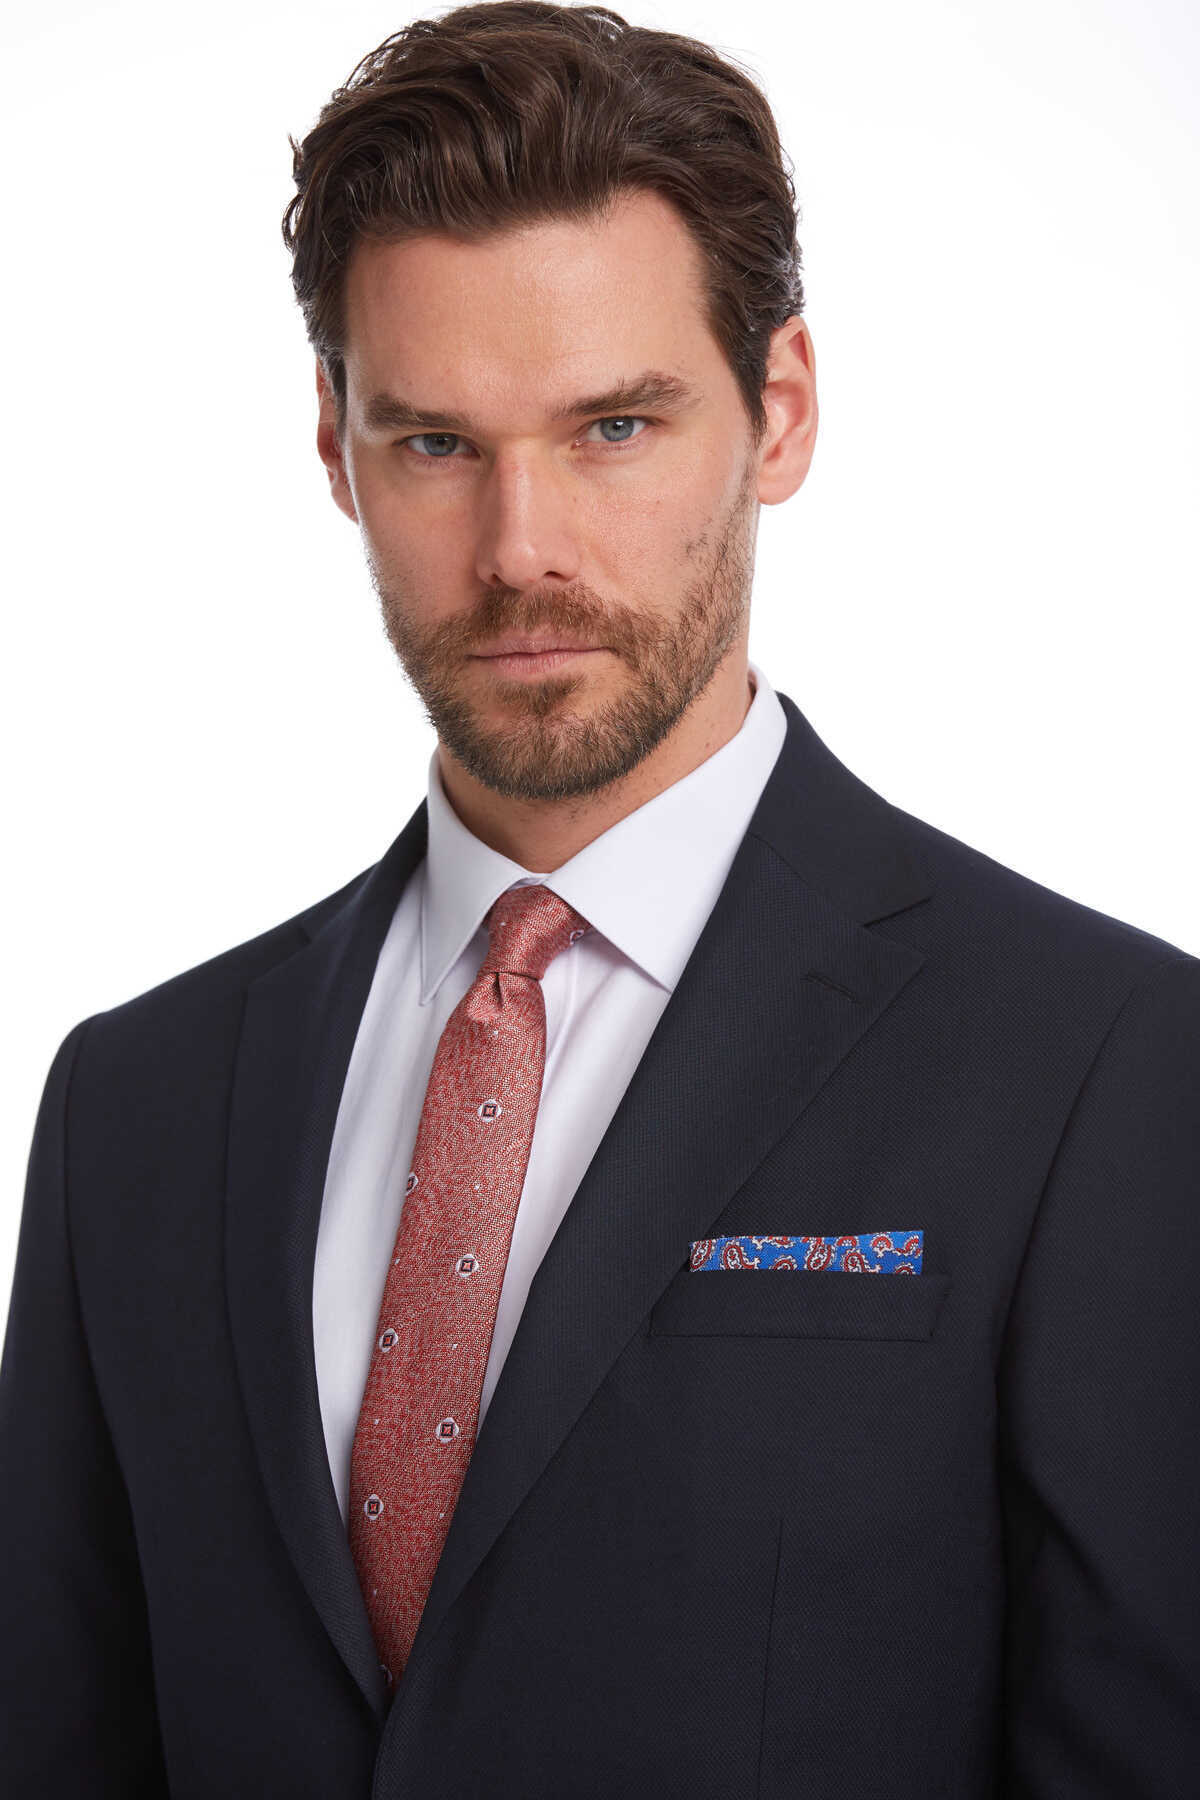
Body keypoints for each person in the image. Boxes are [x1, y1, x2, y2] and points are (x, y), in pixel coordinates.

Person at [2, 2, 1197, 1794]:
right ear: (333, 446)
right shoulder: (135, 1105)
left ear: (778, 411)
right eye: (434, 443)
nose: (521, 551)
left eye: (614, 427)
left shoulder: (1101, 1063)